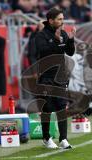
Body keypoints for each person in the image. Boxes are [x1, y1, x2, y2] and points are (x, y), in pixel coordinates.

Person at [35, 8, 76, 149]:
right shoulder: (41, 35)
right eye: (59, 19)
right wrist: (56, 40)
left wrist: (70, 40)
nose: (61, 21)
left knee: (61, 108)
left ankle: (63, 139)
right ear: (51, 20)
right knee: (47, 108)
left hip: (60, 77)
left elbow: (70, 52)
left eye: (62, 18)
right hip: (46, 77)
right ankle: (46, 138)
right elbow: (44, 51)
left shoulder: (64, 33)